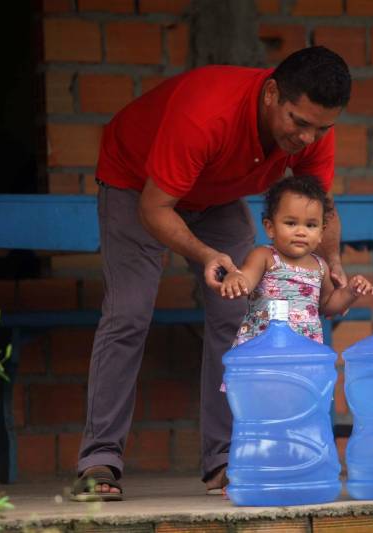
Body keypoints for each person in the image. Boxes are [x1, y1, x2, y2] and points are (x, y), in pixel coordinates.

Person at [70, 46, 352, 502]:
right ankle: (98, 459)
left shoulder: (314, 131)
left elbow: (320, 204)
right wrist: (206, 255)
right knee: (129, 312)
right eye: (298, 122)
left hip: (216, 192)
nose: (307, 137)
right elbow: (155, 207)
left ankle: (225, 459)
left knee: (240, 310)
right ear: (271, 94)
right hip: (137, 183)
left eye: (321, 128)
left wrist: (334, 262)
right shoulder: (208, 114)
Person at [221, 175, 373, 349]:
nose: (301, 232)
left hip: (303, 353)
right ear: (270, 228)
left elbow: (327, 305)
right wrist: (236, 278)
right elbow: (246, 281)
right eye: (291, 223)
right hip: (263, 352)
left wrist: (351, 292)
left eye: (310, 225)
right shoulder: (264, 256)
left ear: (321, 233)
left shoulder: (320, 266)